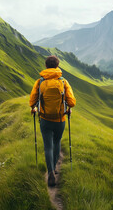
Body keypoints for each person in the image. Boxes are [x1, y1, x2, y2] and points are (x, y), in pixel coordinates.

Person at [29, 55, 76, 187]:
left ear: (46, 66)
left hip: (44, 119)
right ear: (57, 66)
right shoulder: (63, 82)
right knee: (57, 142)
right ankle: (55, 168)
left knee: (47, 146)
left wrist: (34, 108)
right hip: (60, 119)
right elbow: (72, 102)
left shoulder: (39, 82)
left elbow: (32, 101)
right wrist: (68, 108)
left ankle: (49, 172)